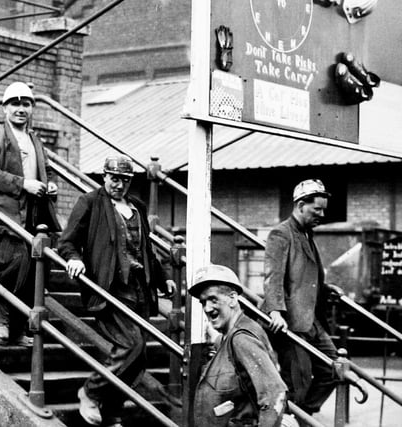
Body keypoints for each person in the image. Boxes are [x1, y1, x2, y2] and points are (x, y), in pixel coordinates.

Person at [58, 155, 175, 427]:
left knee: (138, 357)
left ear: (129, 181)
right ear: (104, 177)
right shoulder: (90, 202)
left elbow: (147, 249)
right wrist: (73, 258)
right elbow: (67, 242)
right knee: (131, 345)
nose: (118, 184)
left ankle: (111, 412)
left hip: (139, 288)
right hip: (109, 288)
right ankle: (90, 392)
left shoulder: (137, 207)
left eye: (123, 179)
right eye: (113, 178)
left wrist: (163, 278)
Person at [0, 81, 60, 346]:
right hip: (5, 214)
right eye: (15, 103)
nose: (21, 109)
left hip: (33, 213)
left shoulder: (35, 139)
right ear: (4, 108)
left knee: (35, 269)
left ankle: (18, 328)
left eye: (26, 104)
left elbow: (45, 168)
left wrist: (51, 182)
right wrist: (22, 183)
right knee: (18, 261)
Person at [263, 179, 343, 414]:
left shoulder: (307, 234)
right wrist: (275, 311)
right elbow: (273, 276)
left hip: (312, 321)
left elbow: (304, 278)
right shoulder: (281, 234)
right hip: (290, 324)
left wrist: (327, 288)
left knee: (333, 369)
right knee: (297, 384)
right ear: (300, 205)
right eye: (316, 209)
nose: (322, 214)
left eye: (323, 209)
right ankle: (292, 416)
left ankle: (301, 414)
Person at [190, 264, 289, 427]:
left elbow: (274, 393)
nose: (207, 308)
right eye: (203, 302)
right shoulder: (229, 337)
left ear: (233, 299)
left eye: (213, 299)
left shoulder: (241, 339)